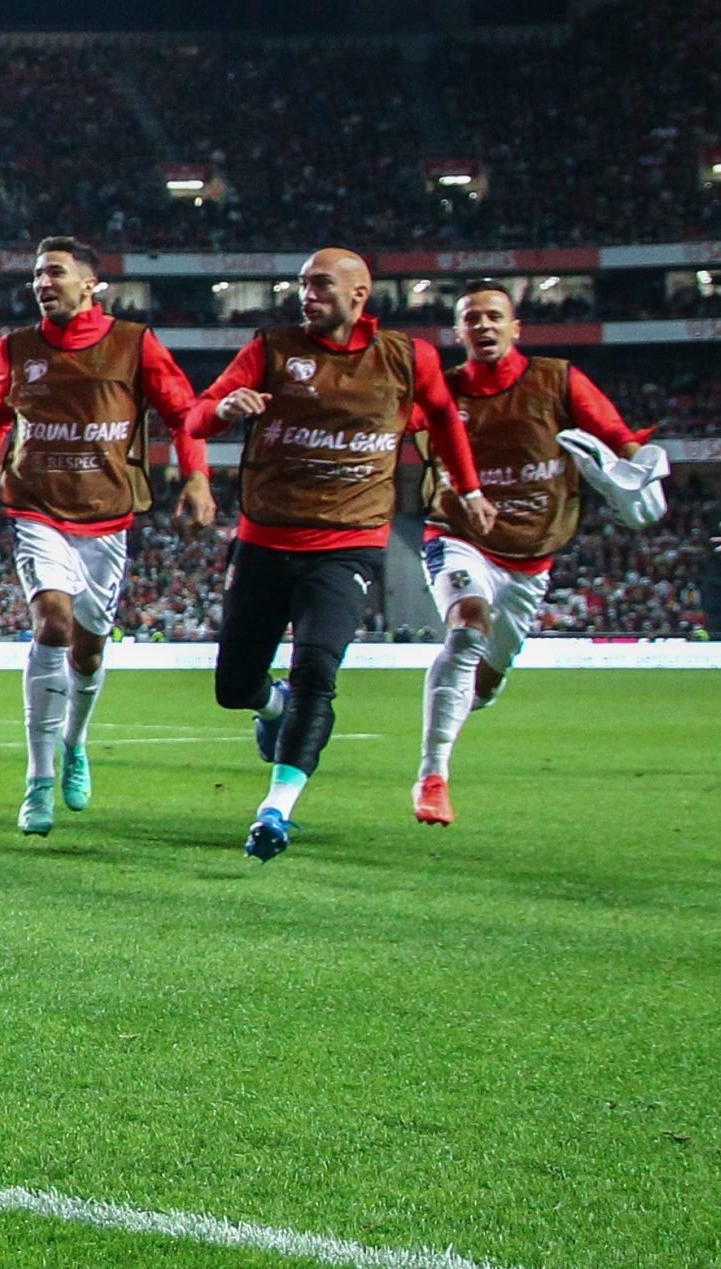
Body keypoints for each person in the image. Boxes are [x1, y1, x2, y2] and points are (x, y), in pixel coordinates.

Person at [186, 248, 494, 862]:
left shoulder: (408, 358)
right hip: (266, 540)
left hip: (349, 544)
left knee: (318, 673)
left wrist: (470, 485)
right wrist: (223, 409)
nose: (307, 295)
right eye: (302, 285)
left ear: (360, 296)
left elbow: (444, 417)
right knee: (234, 686)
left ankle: (275, 810)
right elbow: (195, 417)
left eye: (321, 285)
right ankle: (267, 706)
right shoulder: (271, 351)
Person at [0, 237, 217, 835]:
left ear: (90, 285)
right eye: (38, 275)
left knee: (88, 650)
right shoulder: (17, 348)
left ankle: (75, 743)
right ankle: (38, 780)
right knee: (52, 623)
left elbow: (184, 413)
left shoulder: (133, 344)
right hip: (37, 508)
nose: (43, 283)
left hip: (106, 516)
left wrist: (197, 478)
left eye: (56, 274)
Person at [409, 281, 651, 826]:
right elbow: (386, 427)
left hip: (531, 559)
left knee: (485, 681)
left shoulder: (557, 381)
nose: (484, 326)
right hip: (457, 536)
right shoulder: (441, 392)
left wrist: (641, 470)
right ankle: (432, 775)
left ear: (516, 327)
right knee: (467, 626)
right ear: (458, 332)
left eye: (494, 316)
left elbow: (615, 433)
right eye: (472, 319)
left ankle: (454, 708)